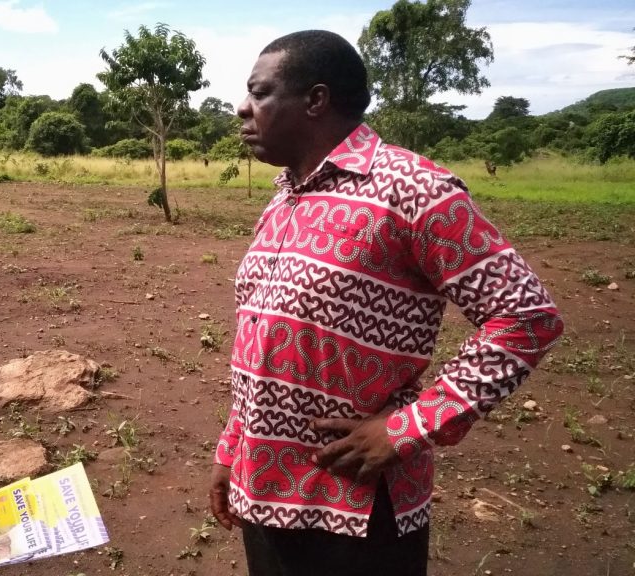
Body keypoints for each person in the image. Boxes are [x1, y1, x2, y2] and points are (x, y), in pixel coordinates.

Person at [208, 31, 563, 576]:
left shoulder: (413, 188)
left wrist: (409, 427)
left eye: (259, 93)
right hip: (265, 490)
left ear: (316, 100)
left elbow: (526, 314)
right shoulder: (285, 196)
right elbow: (260, 341)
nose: (241, 107)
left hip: (358, 503)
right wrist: (232, 449)